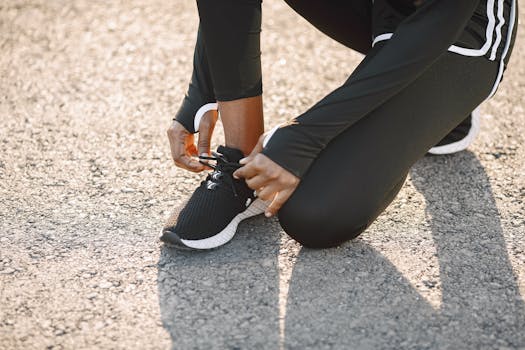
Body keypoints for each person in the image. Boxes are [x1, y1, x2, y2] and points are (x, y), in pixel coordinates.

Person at [161, 0, 518, 250]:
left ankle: (443, 108)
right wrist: (203, 92)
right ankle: (240, 167)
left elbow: (439, 20)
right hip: (381, 11)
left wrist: (302, 137)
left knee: (315, 215)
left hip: (459, 33)